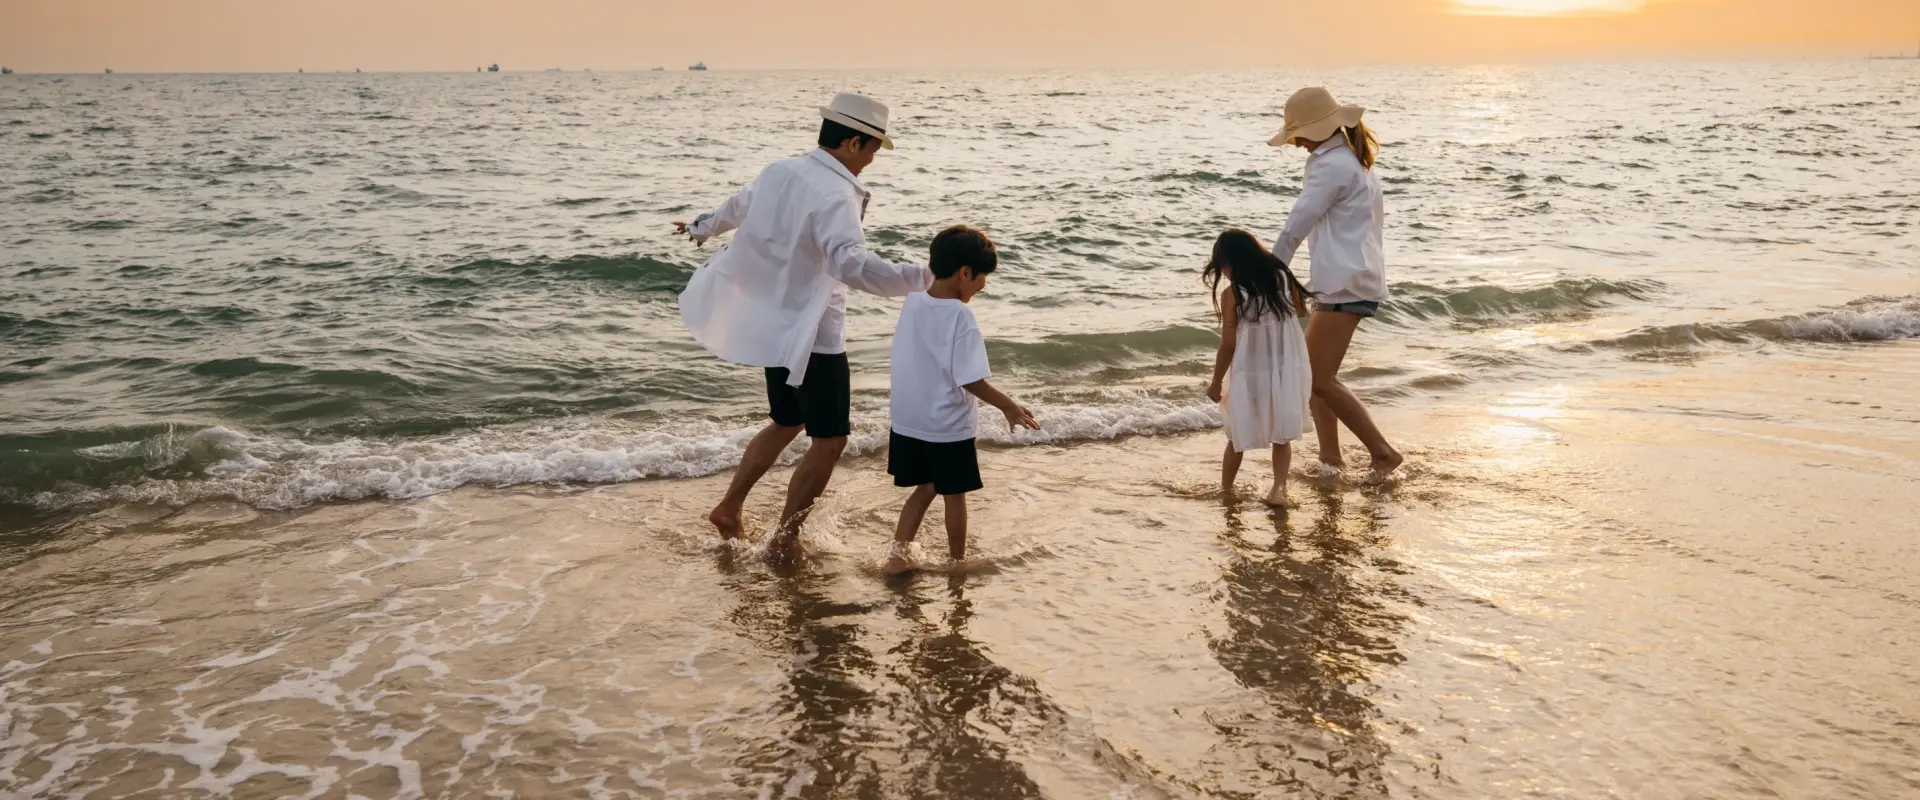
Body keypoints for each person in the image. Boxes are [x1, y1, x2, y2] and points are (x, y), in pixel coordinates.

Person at [674, 92, 933, 548]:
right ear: (854, 142)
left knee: (786, 421)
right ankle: (784, 540)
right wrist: (925, 278)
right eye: (873, 148)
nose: (873, 159)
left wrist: (701, 226)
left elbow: (738, 205)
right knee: (830, 440)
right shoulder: (835, 193)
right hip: (815, 335)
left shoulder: (782, 170)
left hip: (777, 328)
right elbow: (852, 266)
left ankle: (729, 508)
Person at [881, 226, 1038, 575]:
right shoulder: (960, 317)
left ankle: (896, 555)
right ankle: (957, 562)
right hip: (946, 423)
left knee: (924, 489)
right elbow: (969, 379)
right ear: (965, 273)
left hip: (909, 418)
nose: (983, 286)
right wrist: (1008, 406)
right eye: (983, 278)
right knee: (954, 495)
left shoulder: (913, 301)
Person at [1267, 86, 1405, 478]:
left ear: (1316, 129)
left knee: (1316, 376)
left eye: (1297, 136)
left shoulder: (1333, 166)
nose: (1296, 145)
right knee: (1314, 377)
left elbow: (1297, 225)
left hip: (1345, 280)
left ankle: (1382, 453)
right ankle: (1331, 458)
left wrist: (1269, 273)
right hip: (1341, 278)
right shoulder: (1349, 160)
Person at [1204, 229, 1312, 506]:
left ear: (1232, 264)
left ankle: (1226, 491)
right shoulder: (1282, 278)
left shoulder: (1233, 294)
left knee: (1236, 434)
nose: (1225, 273)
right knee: (1281, 435)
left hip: (1249, 370)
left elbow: (1228, 345)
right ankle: (1279, 490)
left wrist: (1216, 381)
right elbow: (1300, 311)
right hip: (1286, 368)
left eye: (1224, 267)